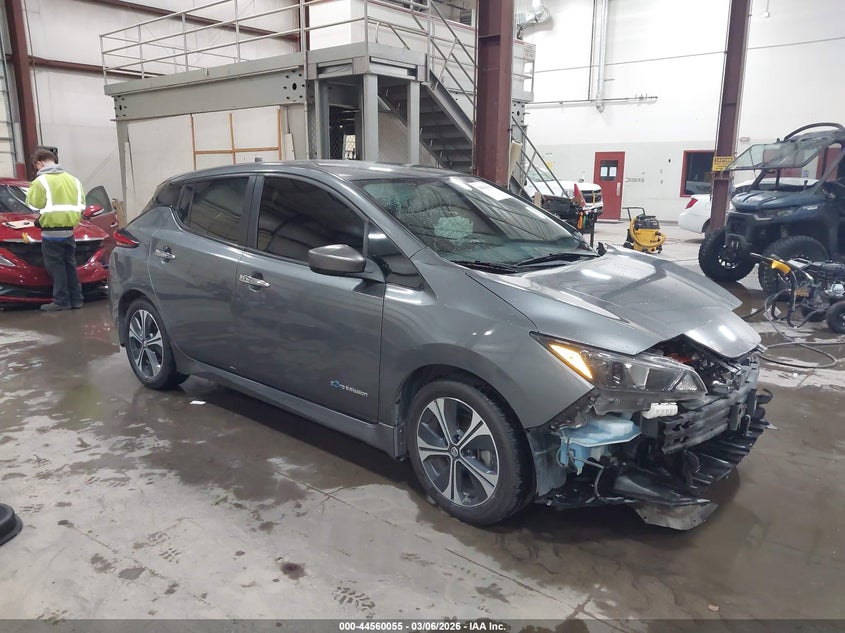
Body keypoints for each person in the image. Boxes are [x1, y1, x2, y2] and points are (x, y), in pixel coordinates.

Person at [25, 149, 86, 311]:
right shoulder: (74, 180)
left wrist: (41, 218)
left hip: (51, 233)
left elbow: (34, 204)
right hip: (70, 232)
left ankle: (61, 301)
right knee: (70, 266)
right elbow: (82, 206)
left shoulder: (41, 181)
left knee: (56, 268)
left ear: (40, 163)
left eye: (36, 167)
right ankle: (77, 300)